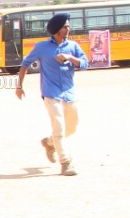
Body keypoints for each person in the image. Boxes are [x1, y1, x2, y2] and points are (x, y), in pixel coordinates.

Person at [15, 12, 87, 177]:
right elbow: (25, 64)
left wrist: (70, 57)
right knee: (59, 127)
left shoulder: (73, 46)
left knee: (72, 127)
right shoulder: (41, 47)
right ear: (57, 30)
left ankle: (49, 142)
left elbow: (84, 63)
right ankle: (66, 162)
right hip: (50, 93)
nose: (68, 28)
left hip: (69, 93)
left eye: (68, 26)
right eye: (65, 26)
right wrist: (19, 86)